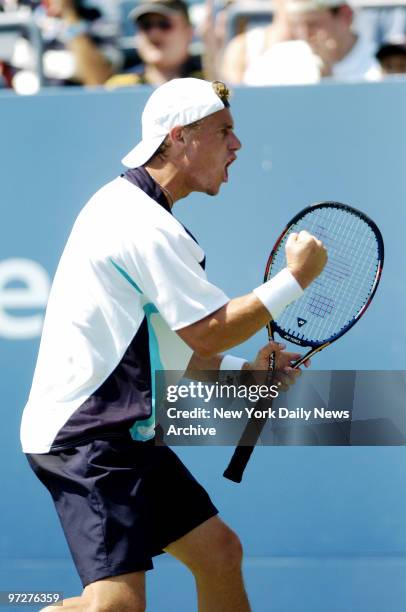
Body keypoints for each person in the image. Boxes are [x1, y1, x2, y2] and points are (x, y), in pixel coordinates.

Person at [21, 77, 327, 611]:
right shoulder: (138, 222)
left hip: (124, 433)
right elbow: (209, 329)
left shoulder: (145, 217)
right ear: (180, 137)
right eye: (224, 131)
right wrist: (296, 278)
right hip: (88, 435)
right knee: (115, 606)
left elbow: (188, 352)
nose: (238, 145)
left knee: (219, 554)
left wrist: (247, 374)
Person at [106, 0, 203, 89]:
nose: (154, 34)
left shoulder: (208, 82)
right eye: (146, 25)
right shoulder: (120, 87)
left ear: (189, 32)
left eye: (164, 24)